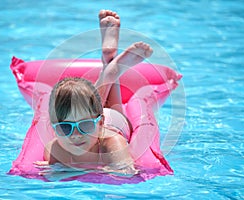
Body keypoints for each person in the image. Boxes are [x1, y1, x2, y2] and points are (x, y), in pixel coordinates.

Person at [35, 10, 154, 177]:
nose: (75, 135)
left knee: (103, 106)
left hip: (115, 122)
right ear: (54, 128)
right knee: (86, 105)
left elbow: (127, 173)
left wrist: (75, 170)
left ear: (100, 122)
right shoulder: (55, 149)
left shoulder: (112, 143)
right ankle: (110, 66)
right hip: (94, 115)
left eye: (85, 126)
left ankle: (111, 69)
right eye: (64, 127)